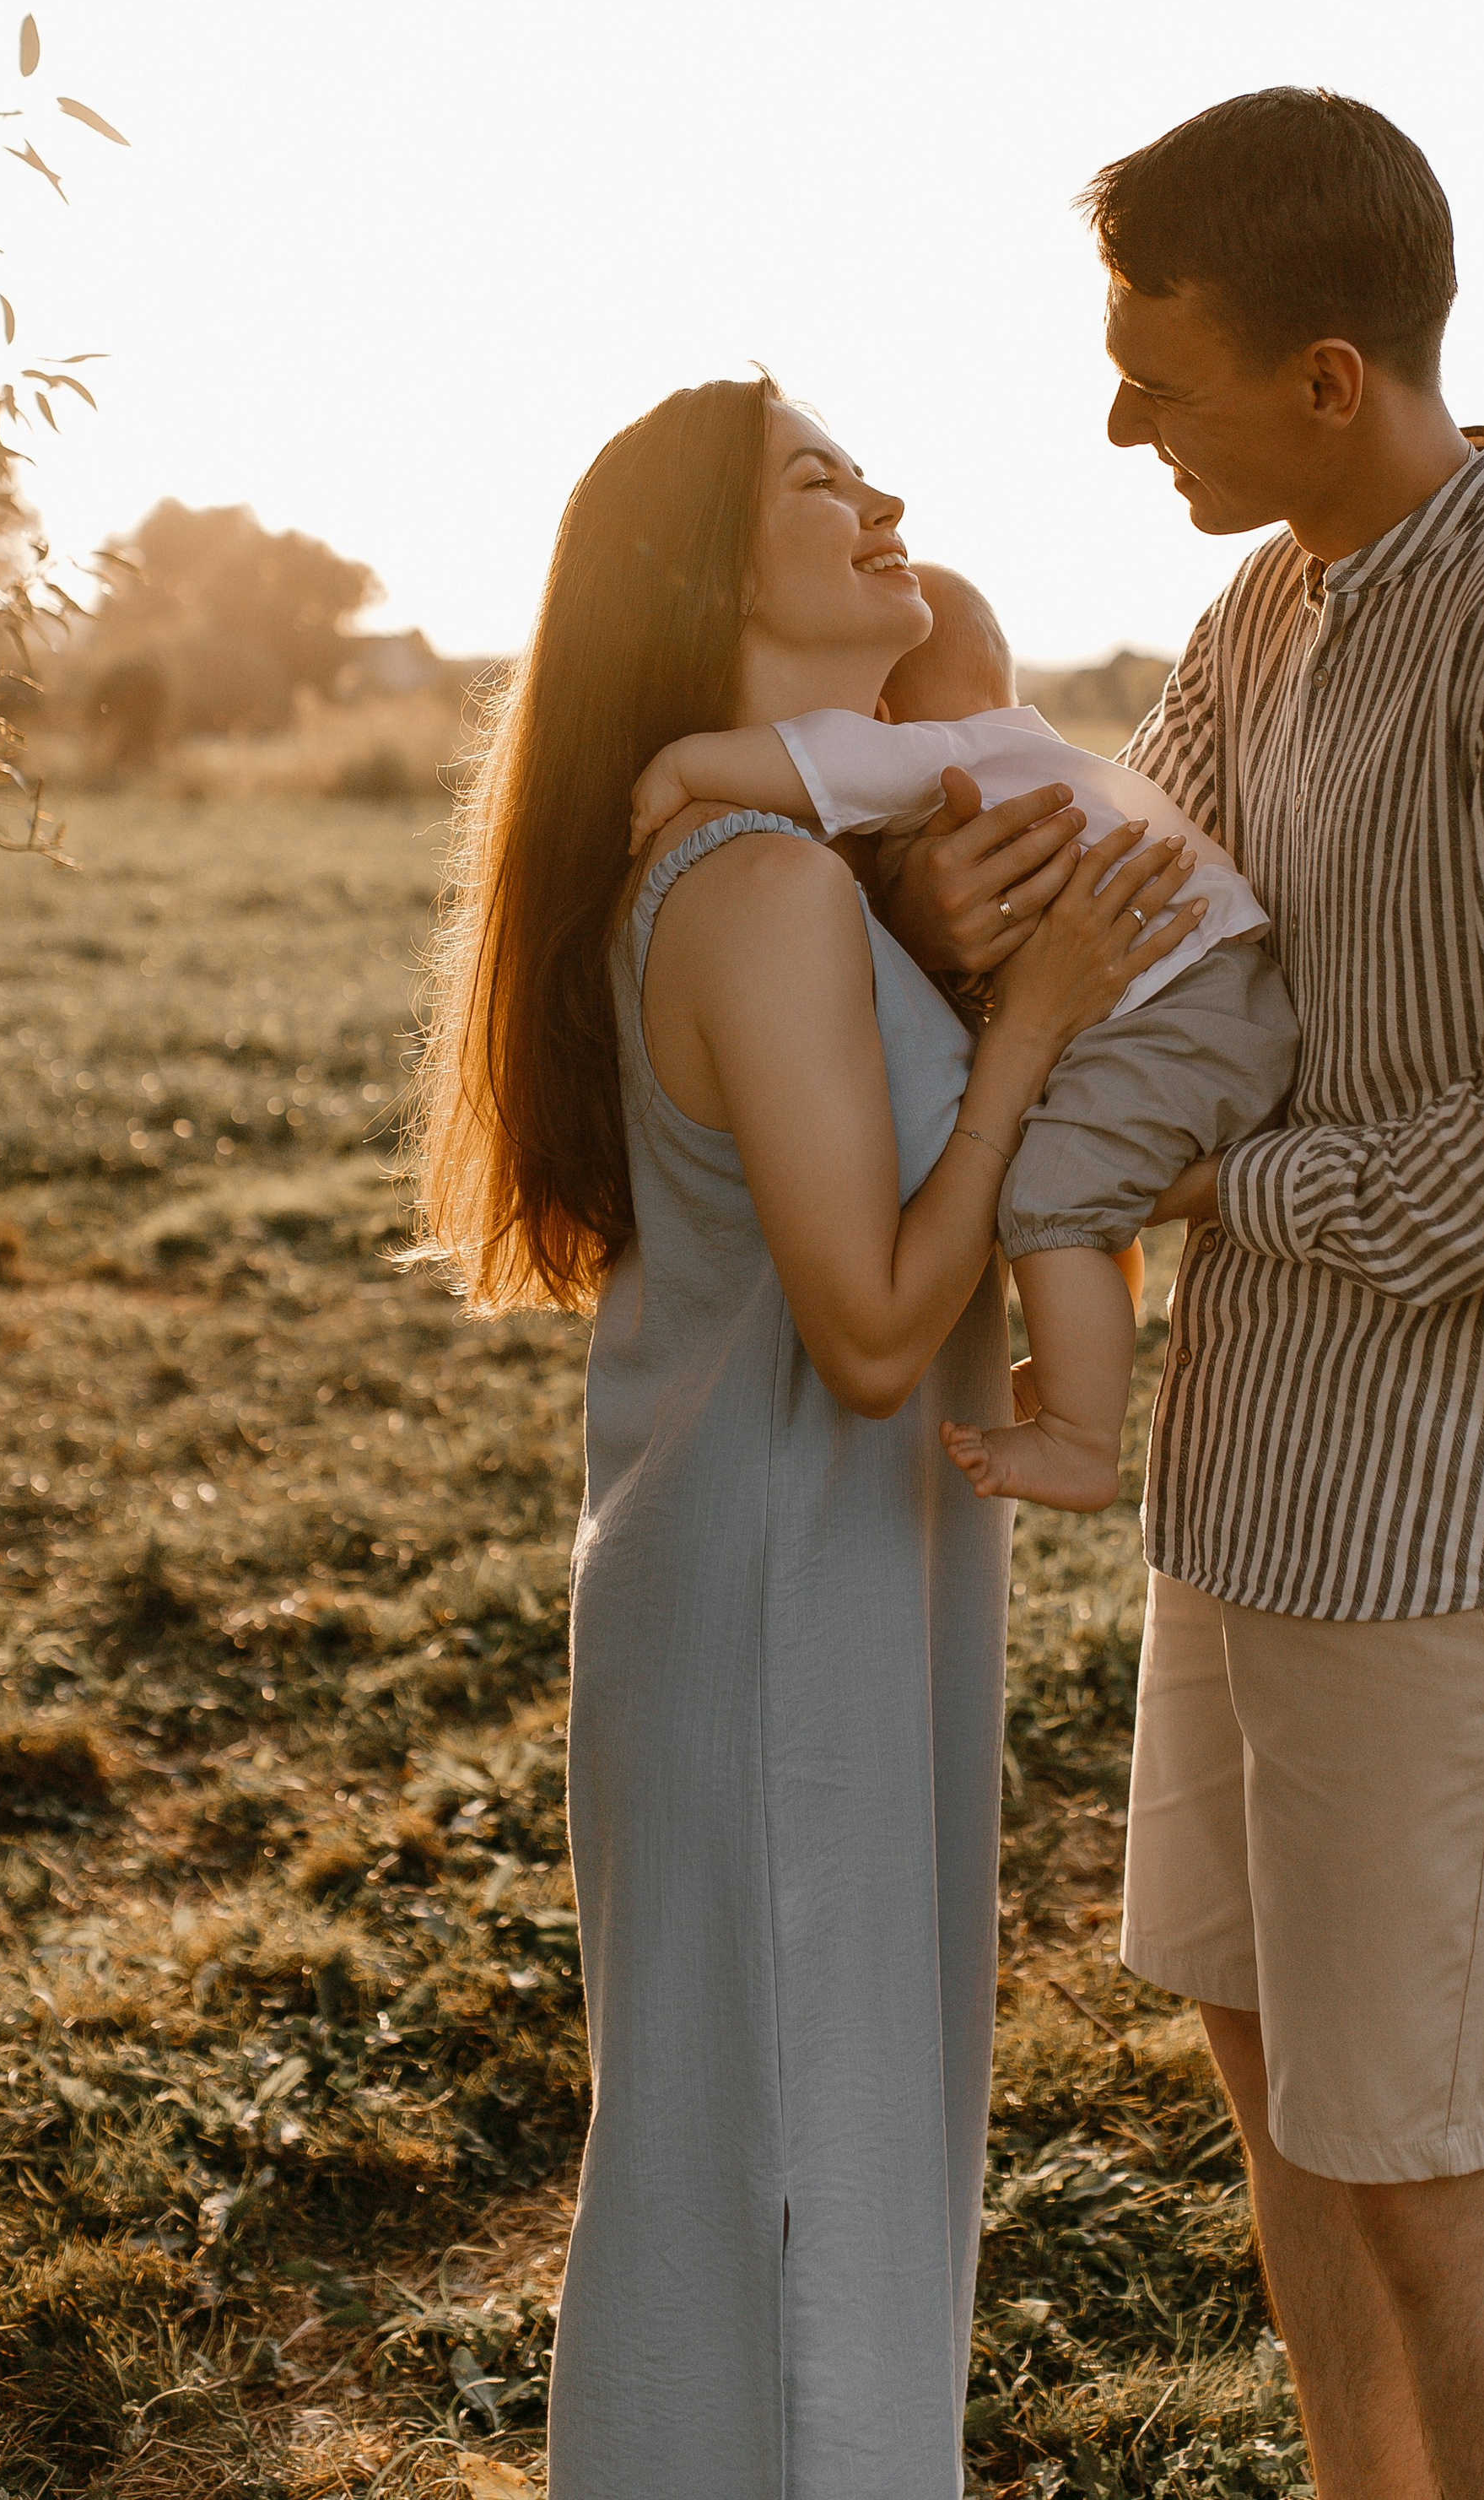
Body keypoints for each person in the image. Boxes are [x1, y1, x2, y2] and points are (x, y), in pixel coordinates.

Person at [880, 89, 1484, 2500]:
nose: (1122, 418)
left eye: (1160, 369)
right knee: (1285, 2106)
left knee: (1431, 2152)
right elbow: (1126, 906)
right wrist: (967, 905)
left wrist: (1235, 1197)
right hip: (1248, 1490)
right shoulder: (1258, 609)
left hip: (1455, 1529)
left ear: (1335, 372)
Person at [409, 376, 1201, 2499]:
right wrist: (1033, 1023)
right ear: (698, 574)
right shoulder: (752, 884)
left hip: (817, 1561)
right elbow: (865, 1328)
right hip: (782, 1572)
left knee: (804, 2151)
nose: (880, 501)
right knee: (795, 2172)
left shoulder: (791, 867)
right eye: (815, 480)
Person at [626, 559, 1298, 1509]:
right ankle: (1076, 1356)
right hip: (1218, 994)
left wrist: (684, 764)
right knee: (1071, 1172)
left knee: (1064, 1190)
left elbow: (813, 761)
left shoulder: (944, 757)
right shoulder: (1035, 750)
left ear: (886, 720)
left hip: (1178, 1005)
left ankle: (1078, 1431)